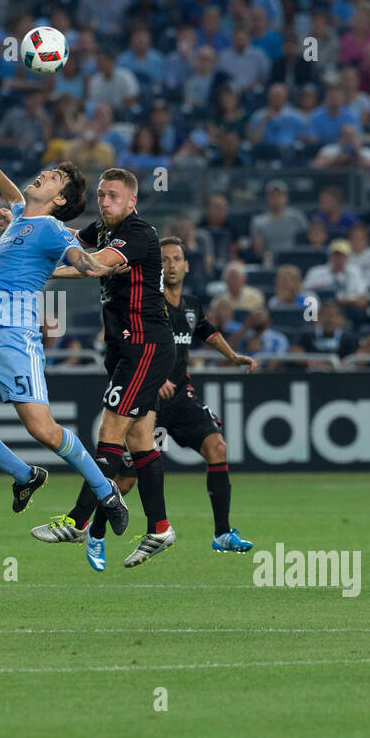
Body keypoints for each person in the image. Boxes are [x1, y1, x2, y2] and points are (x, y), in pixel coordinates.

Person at [0, 149, 130, 534]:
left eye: (55, 176)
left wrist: (98, 265)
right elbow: (16, 200)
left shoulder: (53, 229)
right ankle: (26, 476)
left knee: (42, 429)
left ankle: (105, 490)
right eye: (48, 170)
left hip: (13, 337)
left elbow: (80, 258)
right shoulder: (23, 216)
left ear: (60, 200)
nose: (45, 174)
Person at [31, 167, 180, 568]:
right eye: (100, 195)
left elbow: (94, 265)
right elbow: (72, 252)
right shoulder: (101, 229)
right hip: (123, 349)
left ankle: (78, 520)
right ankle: (160, 527)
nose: (105, 201)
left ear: (131, 201)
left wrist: (57, 267)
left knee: (110, 429)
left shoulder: (139, 234)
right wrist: (30, 250)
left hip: (145, 346)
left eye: (113, 195)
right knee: (140, 441)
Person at [83, 237, 258, 564]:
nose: (171, 265)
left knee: (216, 447)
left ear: (187, 265)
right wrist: (153, 374)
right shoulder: (146, 303)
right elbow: (128, 343)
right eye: (164, 260)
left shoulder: (191, 305)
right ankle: (95, 533)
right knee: (126, 480)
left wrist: (233, 356)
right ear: (155, 267)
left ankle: (222, 533)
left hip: (181, 399)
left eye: (177, 258)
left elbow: (206, 331)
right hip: (148, 399)